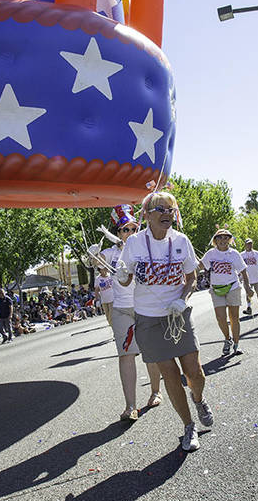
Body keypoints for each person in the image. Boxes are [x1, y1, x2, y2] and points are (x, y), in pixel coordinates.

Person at [117, 190, 212, 452]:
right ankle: (188, 426)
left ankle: (199, 398)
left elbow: (191, 277)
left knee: (194, 371)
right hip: (148, 319)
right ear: (146, 215)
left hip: (177, 315)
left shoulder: (181, 240)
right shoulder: (134, 243)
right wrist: (121, 274)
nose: (167, 213)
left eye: (170, 209)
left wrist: (183, 297)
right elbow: (125, 279)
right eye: (160, 209)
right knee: (170, 374)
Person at [94, 204, 163, 421]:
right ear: (118, 233)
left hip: (145, 307)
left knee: (151, 352)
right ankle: (130, 406)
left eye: (133, 229)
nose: (130, 233)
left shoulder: (145, 247)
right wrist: (94, 258)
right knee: (126, 355)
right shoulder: (109, 253)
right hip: (121, 310)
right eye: (125, 229)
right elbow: (97, 264)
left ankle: (155, 391)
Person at [201, 228, 249, 356]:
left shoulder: (234, 254)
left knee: (234, 317)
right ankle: (228, 339)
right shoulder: (210, 254)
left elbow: (243, 271)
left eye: (225, 237)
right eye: (219, 238)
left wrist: (248, 287)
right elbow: (200, 266)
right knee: (221, 317)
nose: (223, 240)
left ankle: (237, 345)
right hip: (216, 289)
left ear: (229, 240)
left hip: (232, 287)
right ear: (215, 241)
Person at [240, 238, 258, 314]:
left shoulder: (257, 253)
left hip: (257, 277)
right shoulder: (242, 255)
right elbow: (239, 266)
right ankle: (249, 307)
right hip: (247, 279)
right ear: (245, 245)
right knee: (248, 294)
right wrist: (240, 276)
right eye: (248, 244)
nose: (249, 245)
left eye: (251, 243)